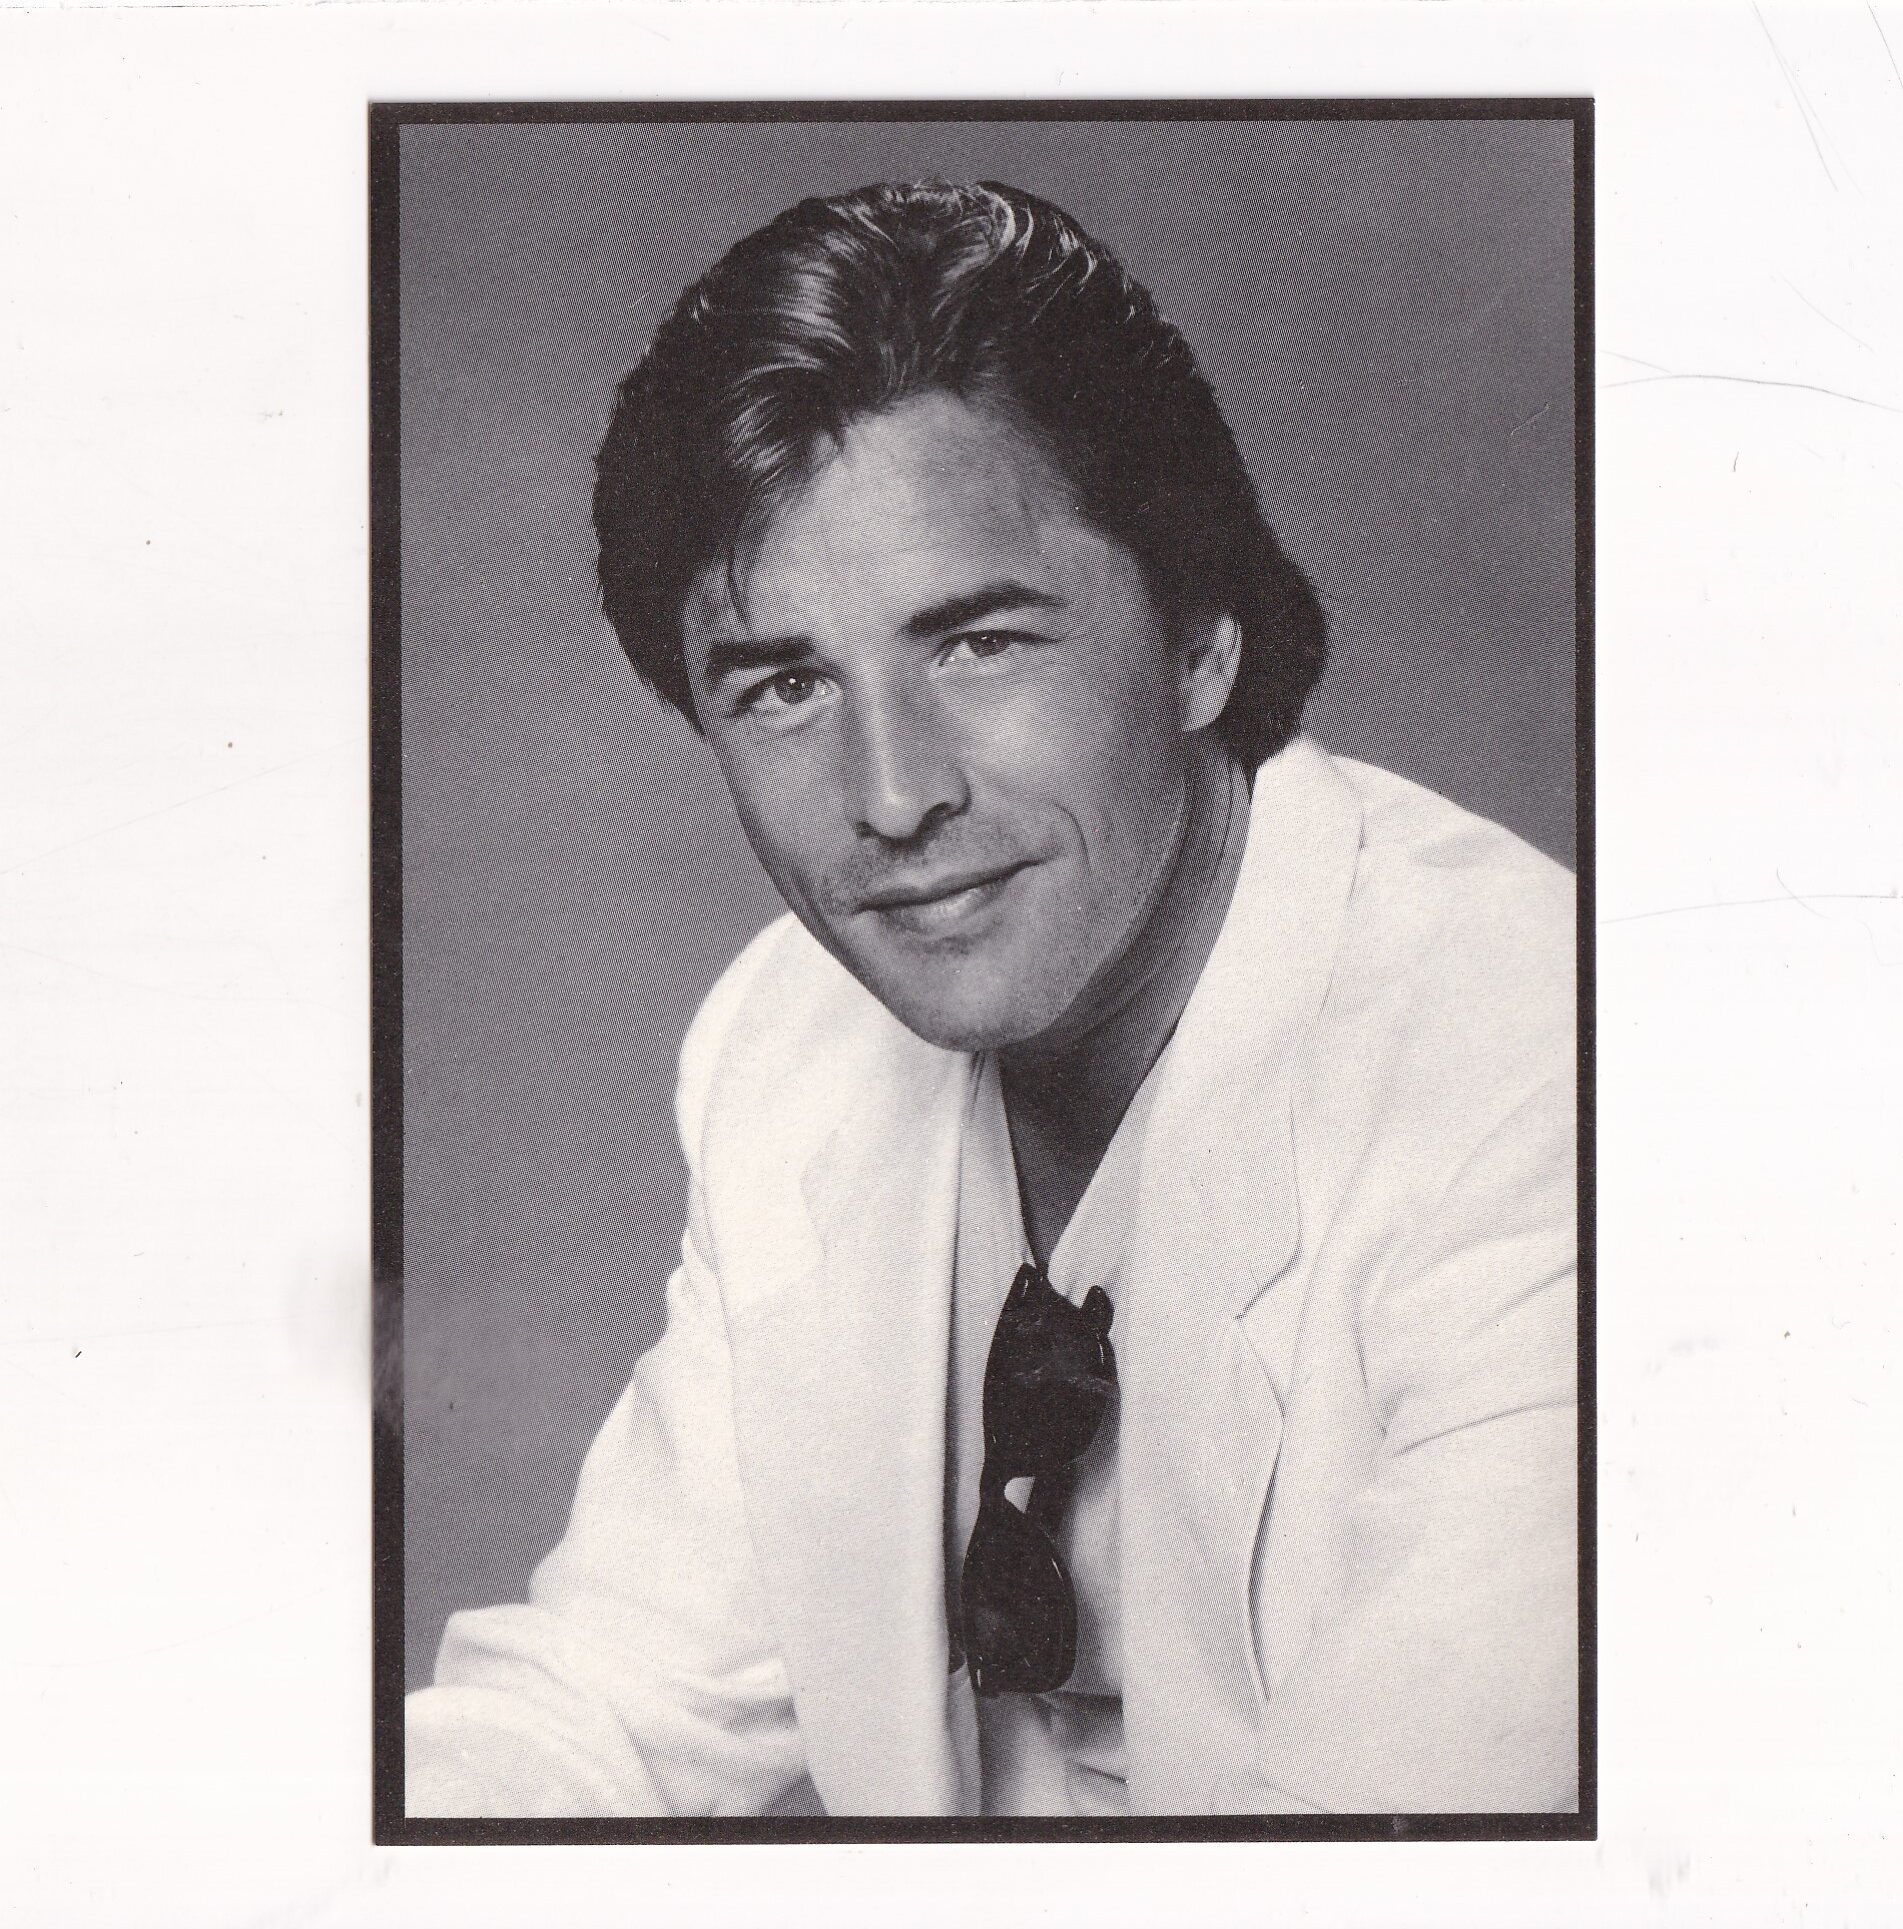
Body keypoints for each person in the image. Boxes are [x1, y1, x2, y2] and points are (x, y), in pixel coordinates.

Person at [404, 179, 1578, 1818]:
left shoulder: (1545, 1072)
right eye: (787, 683)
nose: (892, 796)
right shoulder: (783, 1044)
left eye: (976, 643)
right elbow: (608, 1700)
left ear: (1201, 637)